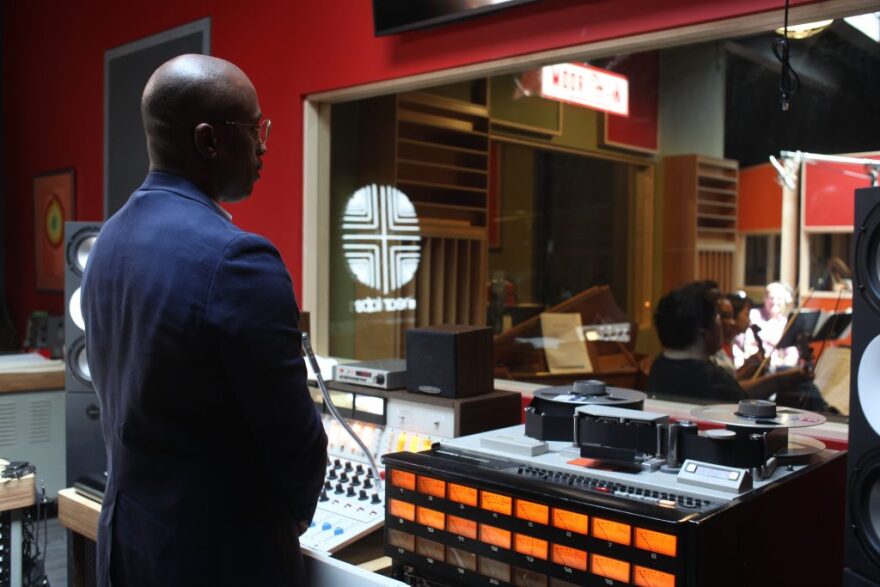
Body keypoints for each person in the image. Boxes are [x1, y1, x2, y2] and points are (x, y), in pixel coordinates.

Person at [82, 55, 327, 586]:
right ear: (209, 141)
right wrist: (293, 520)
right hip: (216, 560)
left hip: (126, 546)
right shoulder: (239, 260)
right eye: (254, 129)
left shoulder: (107, 243)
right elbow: (297, 444)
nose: (263, 147)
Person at [648, 281, 747, 402]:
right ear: (703, 330)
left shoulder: (657, 366)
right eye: (718, 316)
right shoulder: (714, 381)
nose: (722, 323)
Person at [745, 281, 799, 371]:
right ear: (765, 298)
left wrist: (787, 364)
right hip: (757, 366)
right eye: (772, 298)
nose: (775, 302)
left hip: (779, 368)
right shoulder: (754, 316)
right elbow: (749, 347)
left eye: (779, 299)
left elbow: (791, 351)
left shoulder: (785, 322)